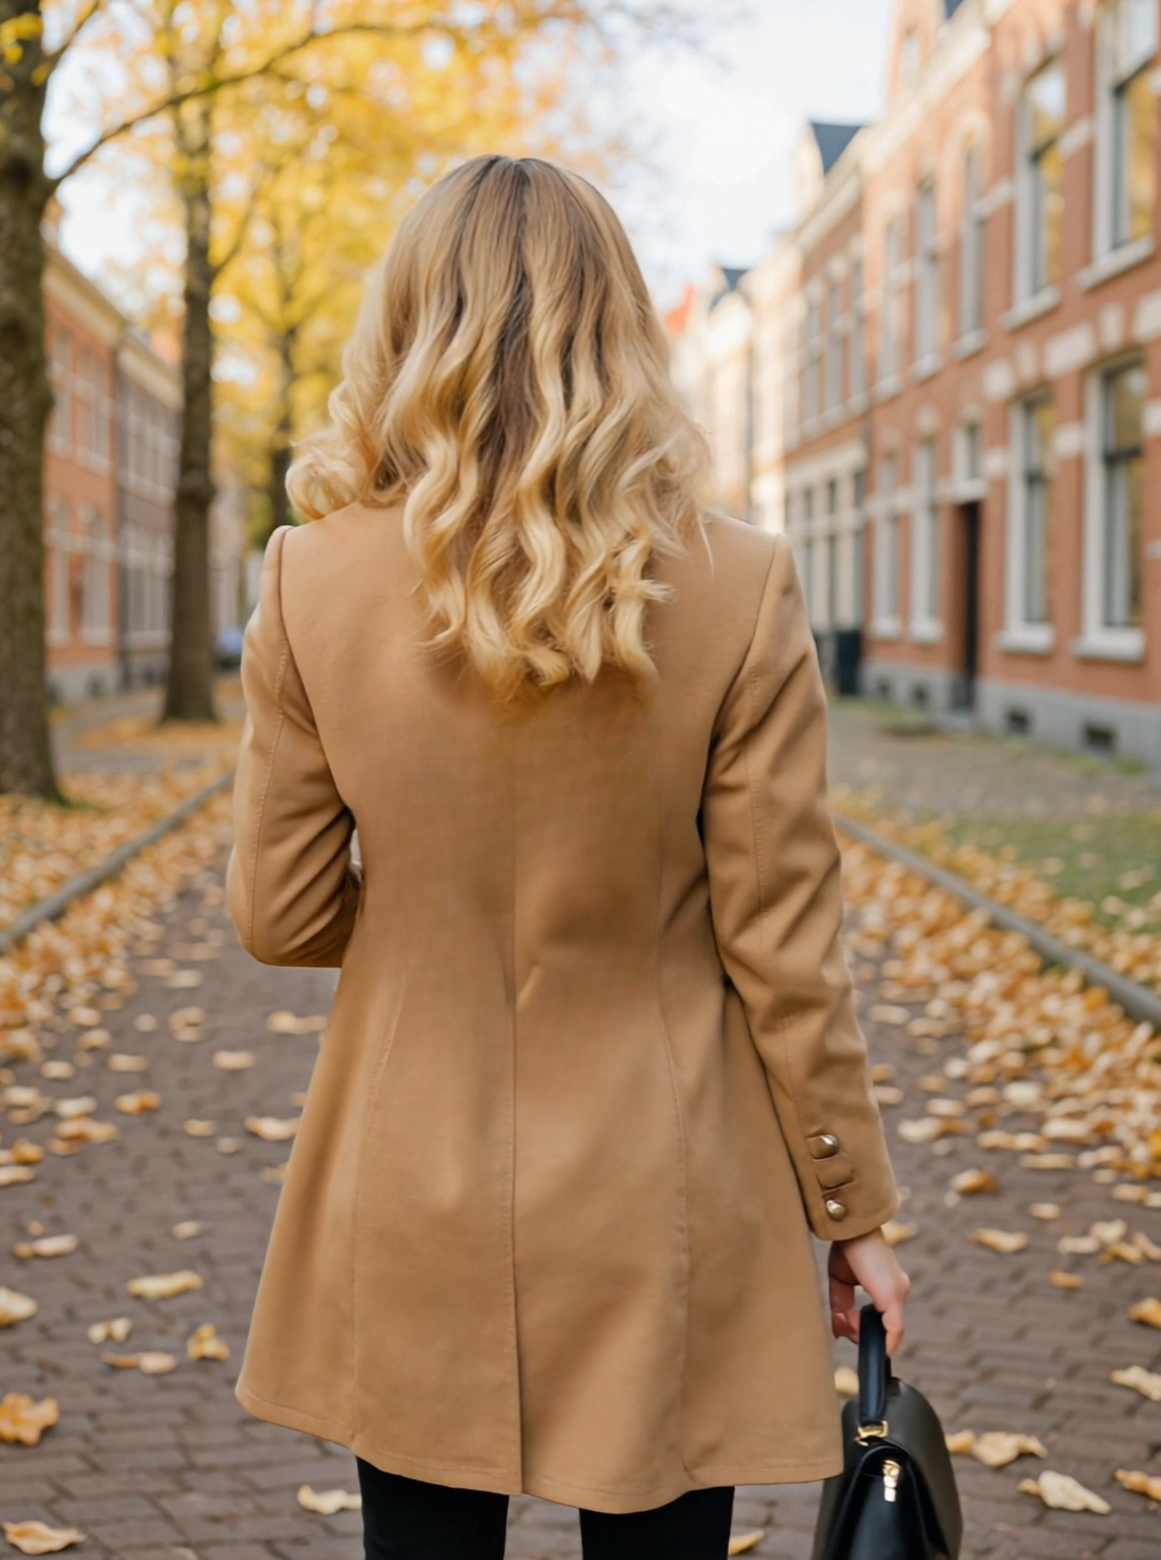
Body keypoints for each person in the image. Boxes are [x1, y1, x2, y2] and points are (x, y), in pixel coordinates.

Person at [226, 154, 909, 1560]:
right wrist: (854, 1211)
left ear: (407, 325)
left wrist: (427, 900)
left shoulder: (310, 577)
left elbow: (281, 917)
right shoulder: (738, 582)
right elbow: (784, 943)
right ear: (621, 332)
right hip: (664, 1186)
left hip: (413, 1170)